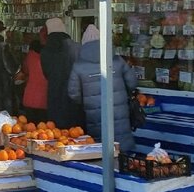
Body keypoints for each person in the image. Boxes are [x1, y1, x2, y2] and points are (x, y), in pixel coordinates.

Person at [67, 24, 138, 152]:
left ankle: (104, 163)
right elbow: (132, 83)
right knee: (122, 139)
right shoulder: (117, 61)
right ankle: (124, 159)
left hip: (94, 113)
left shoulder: (78, 66)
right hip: (119, 109)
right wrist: (121, 94)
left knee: (100, 146)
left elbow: (73, 93)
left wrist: (87, 101)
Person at [41, 17, 79, 129]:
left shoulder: (45, 51)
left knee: (56, 130)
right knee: (75, 130)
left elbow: (46, 73)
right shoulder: (76, 48)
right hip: (74, 94)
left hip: (55, 93)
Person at [18, 37, 49, 124]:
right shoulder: (48, 58)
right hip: (44, 99)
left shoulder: (29, 57)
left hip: (29, 98)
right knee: (43, 127)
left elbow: (25, 71)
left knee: (30, 126)